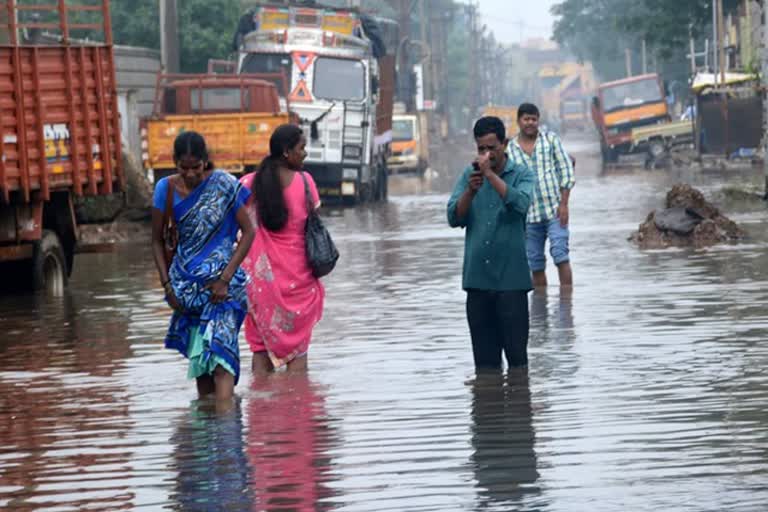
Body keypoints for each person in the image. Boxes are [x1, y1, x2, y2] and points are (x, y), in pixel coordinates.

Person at [151, 131, 254, 401]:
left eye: (195, 167)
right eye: (183, 168)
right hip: (188, 292)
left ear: (205, 162)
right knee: (202, 370)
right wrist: (168, 287)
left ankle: (228, 434)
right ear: (174, 162)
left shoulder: (222, 184)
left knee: (222, 362)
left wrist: (225, 278)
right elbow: (156, 241)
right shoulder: (165, 189)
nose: (190, 175)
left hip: (224, 290)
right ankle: (207, 438)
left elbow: (249, 232)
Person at [447, 116, 535, 371]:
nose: (486, 154)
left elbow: (520, 204)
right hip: (478, 283)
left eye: (491, 148)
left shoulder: (522, 174)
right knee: (485, 369)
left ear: (504, 144)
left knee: (518, 365)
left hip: (512, 283)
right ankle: (488, 410)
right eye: (481, 149)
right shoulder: (469, 175)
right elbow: (453, 217)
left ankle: (518, 409)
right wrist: (470, 191)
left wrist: (490, 177)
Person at [240, 124, 325, 375]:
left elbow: (230, 219)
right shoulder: (306, 183)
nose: (305, 154)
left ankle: (262, 410)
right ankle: (296, 409)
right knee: (298, 355)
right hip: (300, 283)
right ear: (287, 152)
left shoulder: (248, 184)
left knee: (260, 350)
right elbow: (313, 222)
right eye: (302, 148)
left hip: (261, 286)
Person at [508, 103, 575, 288]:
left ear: (538, 120)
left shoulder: (550, 140)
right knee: (535, 264)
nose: (530, 123)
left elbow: (566, 171)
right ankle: (540, 309)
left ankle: (567, 307)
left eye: (534, 119)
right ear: (519, 121)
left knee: (561, 255)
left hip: (555, 211)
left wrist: (564, 204)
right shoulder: (510, 150)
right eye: (526, 119)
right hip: (528, 217)